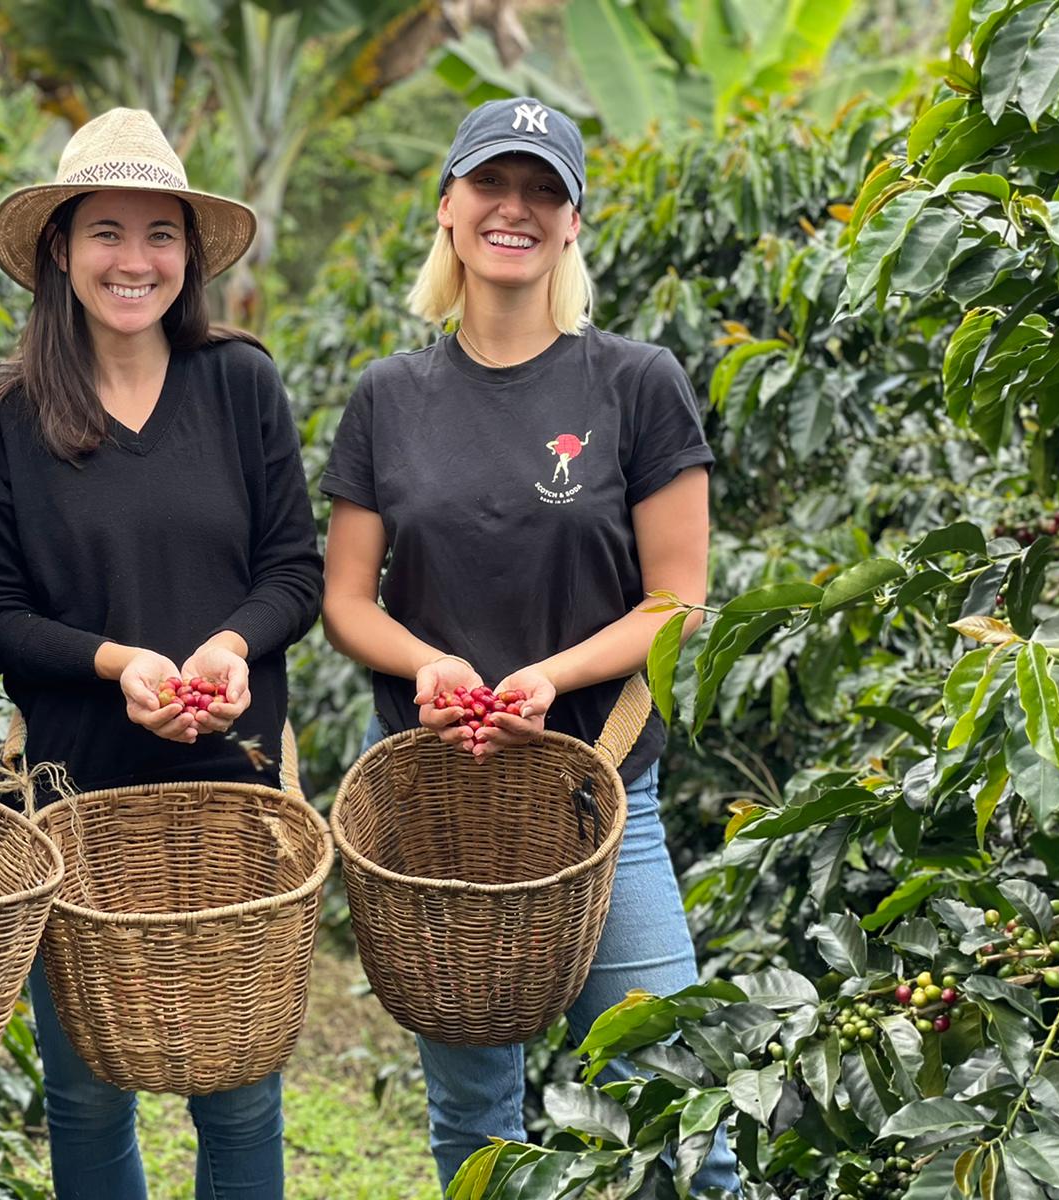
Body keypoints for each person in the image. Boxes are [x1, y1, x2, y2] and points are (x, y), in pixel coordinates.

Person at [319, 97, 740, 1195]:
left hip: (602, 792)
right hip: (439, 799)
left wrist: (552, 676)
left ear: (573, 222)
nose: (515, 208)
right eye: (491, 186)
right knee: (474, 1121)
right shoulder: (387, 397)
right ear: (447, 209)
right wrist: (427, 664)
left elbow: (678, 601)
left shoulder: (634, 384)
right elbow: (347, 601)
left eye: (542, 190)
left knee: (679, 1096)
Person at [0, 107, 322, 1199]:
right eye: (106, 232)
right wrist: (119, 663)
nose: (135, 260)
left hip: (230, 784)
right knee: (86, 1087)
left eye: (160, 235)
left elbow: (292, 570)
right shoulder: (4, 411)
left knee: (240, 1084)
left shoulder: (238, 383)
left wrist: (227, 646)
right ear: (60, 248)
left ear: (188, 257)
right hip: (77, 788)